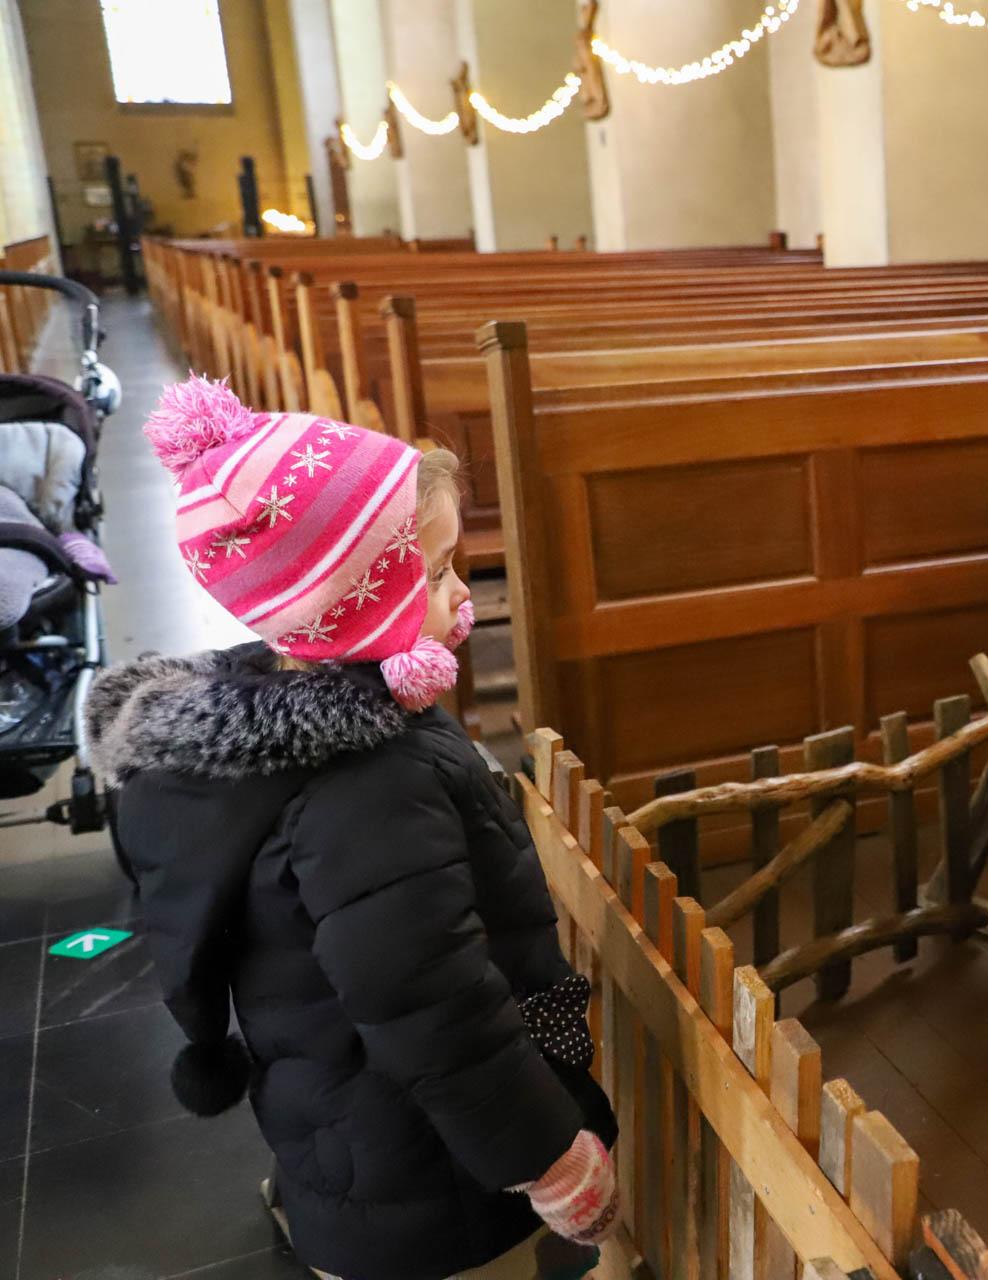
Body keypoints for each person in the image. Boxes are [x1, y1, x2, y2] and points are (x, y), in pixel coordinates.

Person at [86, 377, 618, 1280]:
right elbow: (436, 1009)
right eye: (437, 572)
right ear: (353, 603)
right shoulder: (372, 786)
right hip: (434, 1177)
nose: (464, 594)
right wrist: (549, 1159)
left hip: (346, 1131)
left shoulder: (277, 722)